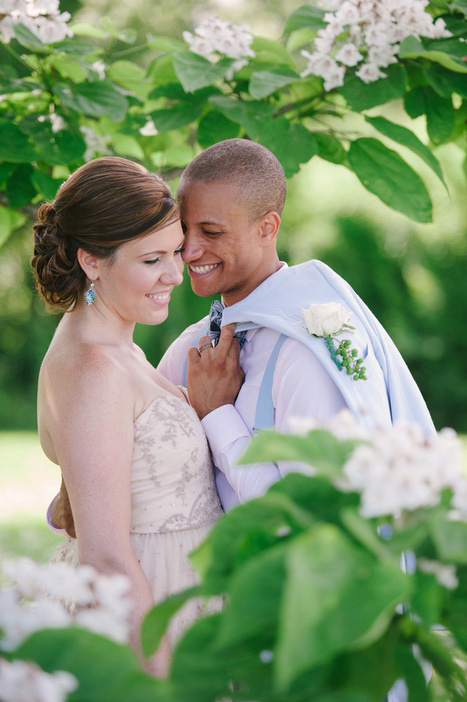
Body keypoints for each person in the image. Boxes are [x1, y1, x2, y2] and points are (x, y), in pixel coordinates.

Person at [33, 157, 240, 676]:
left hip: (183, 589)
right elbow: (104, 556)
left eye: (175, 251)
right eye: (151, 261)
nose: (175, 273)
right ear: (92, 262)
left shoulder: (115, 348)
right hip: (150, 609)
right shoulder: (93, 368)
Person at [158, 138, 435, 512]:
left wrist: (216, 414)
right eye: (184, 229)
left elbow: (310, 513)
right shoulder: (192, 345)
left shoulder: (306, 350)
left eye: (211, 232)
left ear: (267, 228)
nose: (189, 250)